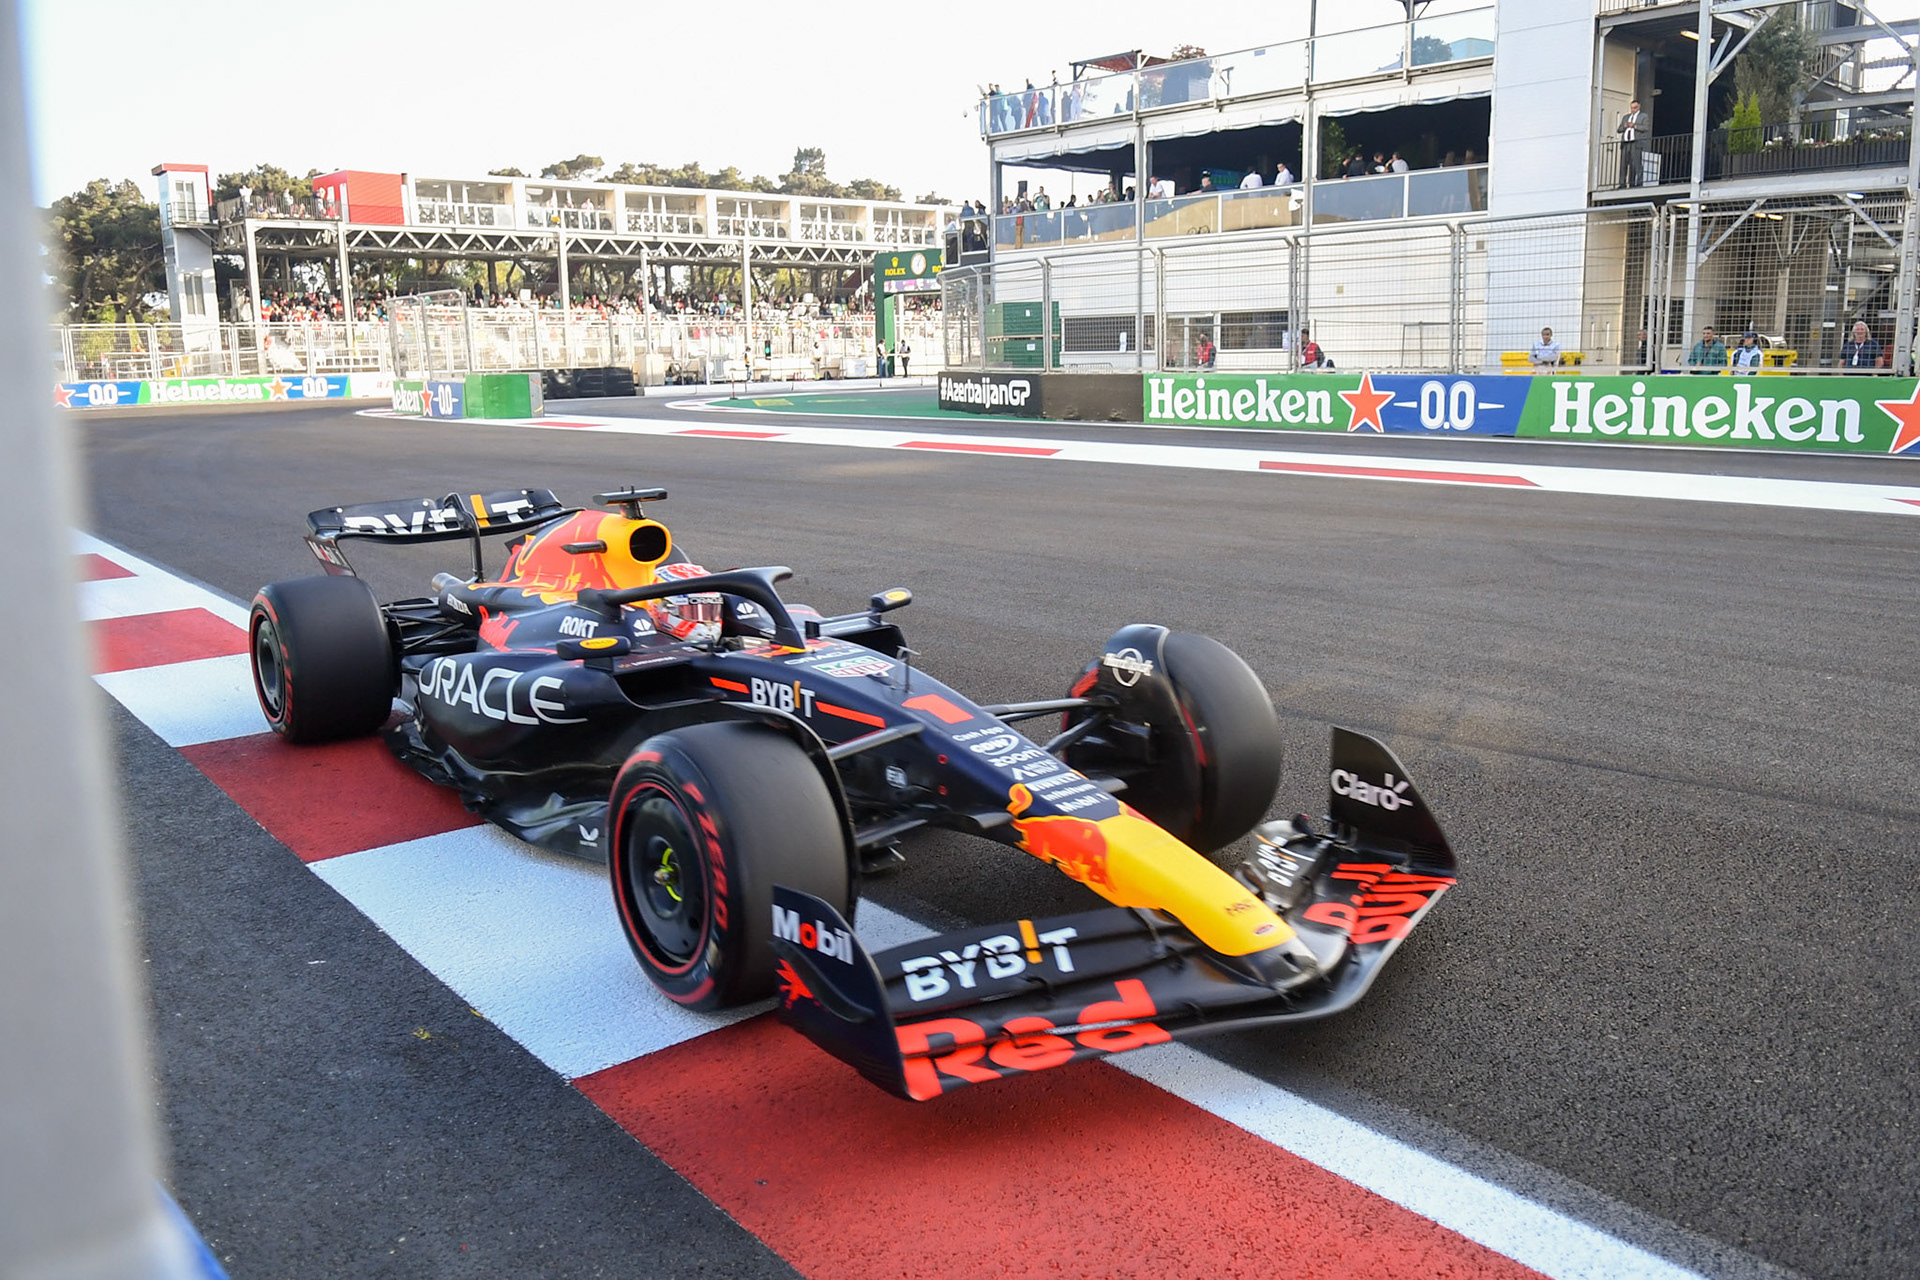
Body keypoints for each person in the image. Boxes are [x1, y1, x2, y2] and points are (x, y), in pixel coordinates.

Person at [1618, 99, 1646, 188]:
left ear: (1639, 107)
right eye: (1632, 108)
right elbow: (1619, 129)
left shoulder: (1643, 116)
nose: (1633, 110)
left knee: (1637, 163)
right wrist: (1625, 126)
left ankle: (1639, 182)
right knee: (1624, 164)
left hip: (1636, 142)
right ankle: (1622, 183)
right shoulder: (1626, 117)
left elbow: (1645, 128)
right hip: (1626, 143)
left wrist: (1634, 125)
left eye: (1635, 108)